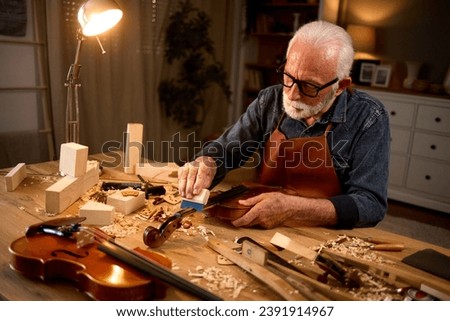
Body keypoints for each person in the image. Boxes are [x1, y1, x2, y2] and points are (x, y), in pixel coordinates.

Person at [177, 20, 390, 230]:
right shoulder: (269, 100)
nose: (291, 94)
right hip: (262, 224)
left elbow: (371, 204)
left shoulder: (369, 117)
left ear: (340, 86)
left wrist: (294, 208)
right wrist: (208, 162)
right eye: (288, 76)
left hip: (324, 237)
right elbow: (227, 150)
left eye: (309, 86)